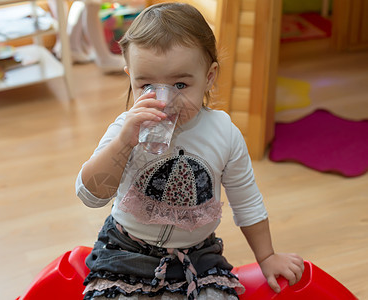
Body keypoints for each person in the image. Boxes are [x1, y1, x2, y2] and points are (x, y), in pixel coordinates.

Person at [76, 3, 304, 299]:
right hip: (126, 249)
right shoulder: (126, 128)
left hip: (198, 255)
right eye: (147, 85)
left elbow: (247, 201)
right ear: (130, 76)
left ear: (209, 77)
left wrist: (267, 256)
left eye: (180, 84)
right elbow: (90, 195)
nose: (165, 98)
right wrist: (123, 143)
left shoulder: (224, 134)